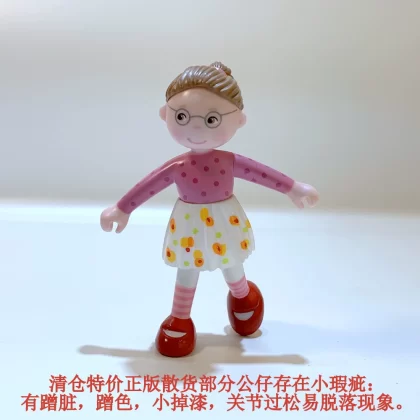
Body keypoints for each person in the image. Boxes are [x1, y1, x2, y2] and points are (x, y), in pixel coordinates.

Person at [100, 61, 319, 357]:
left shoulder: (228, 161)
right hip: (189, 223)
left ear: (239, 121)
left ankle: (243, 297)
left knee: (232, 263)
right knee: (187, 269)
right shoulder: (178, 166)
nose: (196, 128)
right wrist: (122, 208)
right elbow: (150, 184)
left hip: (224, 219)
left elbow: (260, 173)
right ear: (165, 114)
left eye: (212, 119)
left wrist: (292, 187)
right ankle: (180, 317)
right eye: (182, 116)